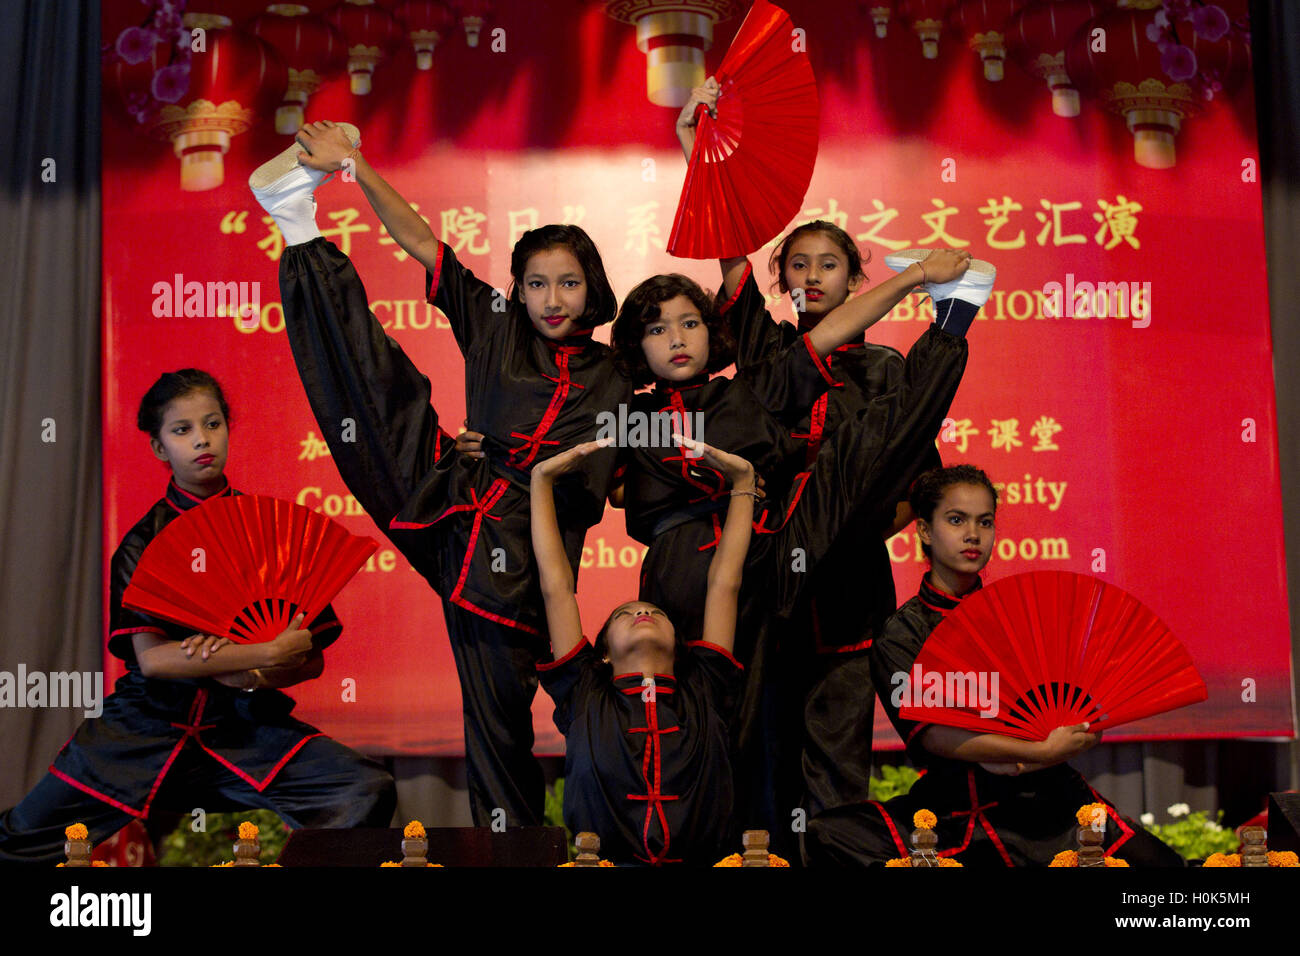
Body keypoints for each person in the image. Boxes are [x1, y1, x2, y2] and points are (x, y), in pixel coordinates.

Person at [251, 121, 632, 827]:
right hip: (458, 515)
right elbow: (425, 242)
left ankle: (578, 832)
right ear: (516, 289)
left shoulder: (616, 372)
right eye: (538, 283)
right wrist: (357, 167)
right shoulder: (496, 326)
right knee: (378, 393)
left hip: (536, 575)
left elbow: (618, 471)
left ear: (593, 288)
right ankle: (297, 225)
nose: (553, 298)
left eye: (570, 283)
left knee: (550, 716)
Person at [676, 78, 997, 839]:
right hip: (765, 571)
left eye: (830, 265)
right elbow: (729, 262)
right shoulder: (764, 348)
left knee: (839, 754)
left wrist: (852, 523)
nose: (813, 275)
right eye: (799, 265)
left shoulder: (886, 371)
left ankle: (953, 318)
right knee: (764, 749)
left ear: (858, 281)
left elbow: (918, 481)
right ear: (785, 282)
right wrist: (697, 150)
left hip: (849, 576)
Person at [0, 370, 395, 864]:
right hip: (144, 730)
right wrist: (260, 651)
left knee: (364, 788)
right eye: (182, 430)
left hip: (244, 730)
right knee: (21, 839)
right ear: (159, 448)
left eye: (212, 424)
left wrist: (259, 672)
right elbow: (155, 662)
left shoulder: (267, 530)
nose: (202, 440)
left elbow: (309, 659)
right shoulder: (143, 545)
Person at [804, 465, 1185, 866]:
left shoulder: (1021, 619)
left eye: (985, 522)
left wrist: (1059, 746)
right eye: (956, 520)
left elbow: (1078, 713)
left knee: (1162, 865)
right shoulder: (901, 636)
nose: (973, 534)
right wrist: (1034, 749)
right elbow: (934, 735)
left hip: (1049, 800)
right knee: (827, 835)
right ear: (926, 532)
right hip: (953, 809)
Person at [530, 435, 756, 865]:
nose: (643, 613)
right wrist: (540, 481)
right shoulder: (584, 693)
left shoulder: (705, 686)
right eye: (625, 614)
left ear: (679, 642)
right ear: (604, 655)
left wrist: (743, 481)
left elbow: (725, 581)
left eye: (654, 610)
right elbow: (556, 587)